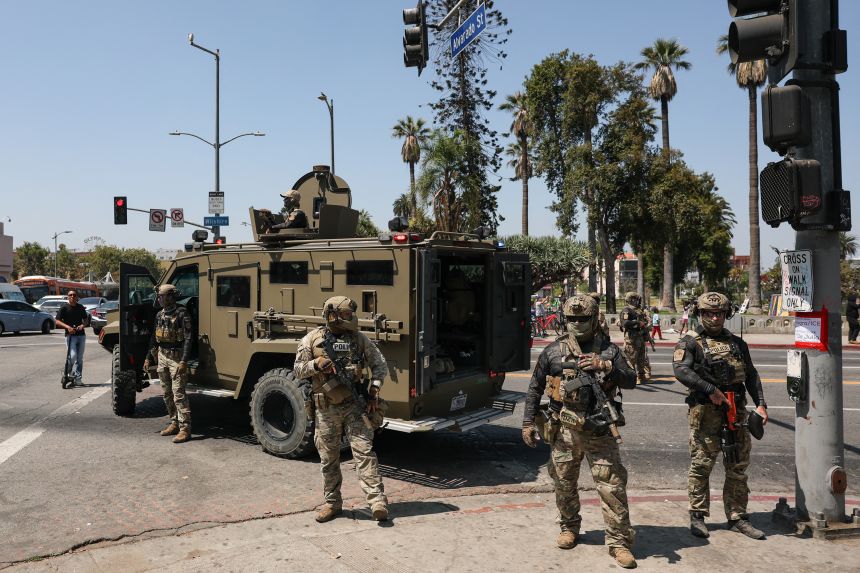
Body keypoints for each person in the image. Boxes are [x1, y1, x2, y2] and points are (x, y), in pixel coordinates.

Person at [522, 295, 638, 569]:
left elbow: (631, 379)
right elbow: (535, 388)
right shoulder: (553, 351)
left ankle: (619, 543)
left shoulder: (609, 351)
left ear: (595, 318)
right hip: (563, 431)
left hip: (599, 431)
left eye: (582, 318)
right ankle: (569, 528)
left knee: (612, 486)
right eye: (572, 318)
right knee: (563, 483)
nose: (576, 323)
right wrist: (528, 422)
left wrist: (606, 366)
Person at [672, 292, 769, 540]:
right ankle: (697, 516)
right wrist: (710, 390)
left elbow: (751, 375)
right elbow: (681, 370)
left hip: (736, 411)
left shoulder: (737, 343)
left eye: (719, 313)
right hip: (705, 413)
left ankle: (737, 517)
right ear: (700, 314)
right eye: (708, 313)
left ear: (726, 315)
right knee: (702, 465)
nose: (714, 318)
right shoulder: (690, 342)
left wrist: (761, 405)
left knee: (738, 466)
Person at [293, 295, 390, 524]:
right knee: (329, 458)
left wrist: (374, 389)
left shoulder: (359, 340)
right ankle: (332, 503)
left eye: (351, 314)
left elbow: (380, 365)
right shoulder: (311, 340)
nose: (351, 319)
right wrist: (316, 365)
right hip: (326, 409)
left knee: (364, 454)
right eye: (346, 315)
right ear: (332, 315)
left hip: (355, 407)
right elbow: (297, 370)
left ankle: (377, 502)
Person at [144, 284, 193, 444]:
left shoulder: (181, 313)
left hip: (176, 358)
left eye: (161, 296)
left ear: (170, 297)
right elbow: (154, 336)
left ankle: (185, 428)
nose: (159, 299)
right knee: (166, 393)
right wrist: (148, 358)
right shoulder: (159, 314)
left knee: (178, 393)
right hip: (162, 356)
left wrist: (184, 360)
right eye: (158, 296)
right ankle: (174, 423)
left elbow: (188, 338)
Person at [54, 290, 90, 388]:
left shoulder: (80, 307)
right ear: (68, 297)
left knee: (79, 359)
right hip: (70, 336)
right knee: (73, 356)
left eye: (74, 295)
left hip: (81, 335)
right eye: (70, 295)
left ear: (76, 297)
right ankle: (67, 374)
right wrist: (68, 327)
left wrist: (82, 325)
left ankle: (78, 378)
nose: (72, 296)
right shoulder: (64, 308)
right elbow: (57, 321)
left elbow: (86, 320)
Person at [619, 292, 651, 384]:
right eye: (635, 299)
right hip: (631, 338)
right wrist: (637, 323)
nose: (637, 302)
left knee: (641, 358)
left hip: (640, 337)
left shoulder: (637, 310)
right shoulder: (627, 310)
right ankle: (631, 378)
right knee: (631, 358)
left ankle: (641, 376)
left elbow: (644, 322)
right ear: (631, 300)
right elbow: (625, 323)